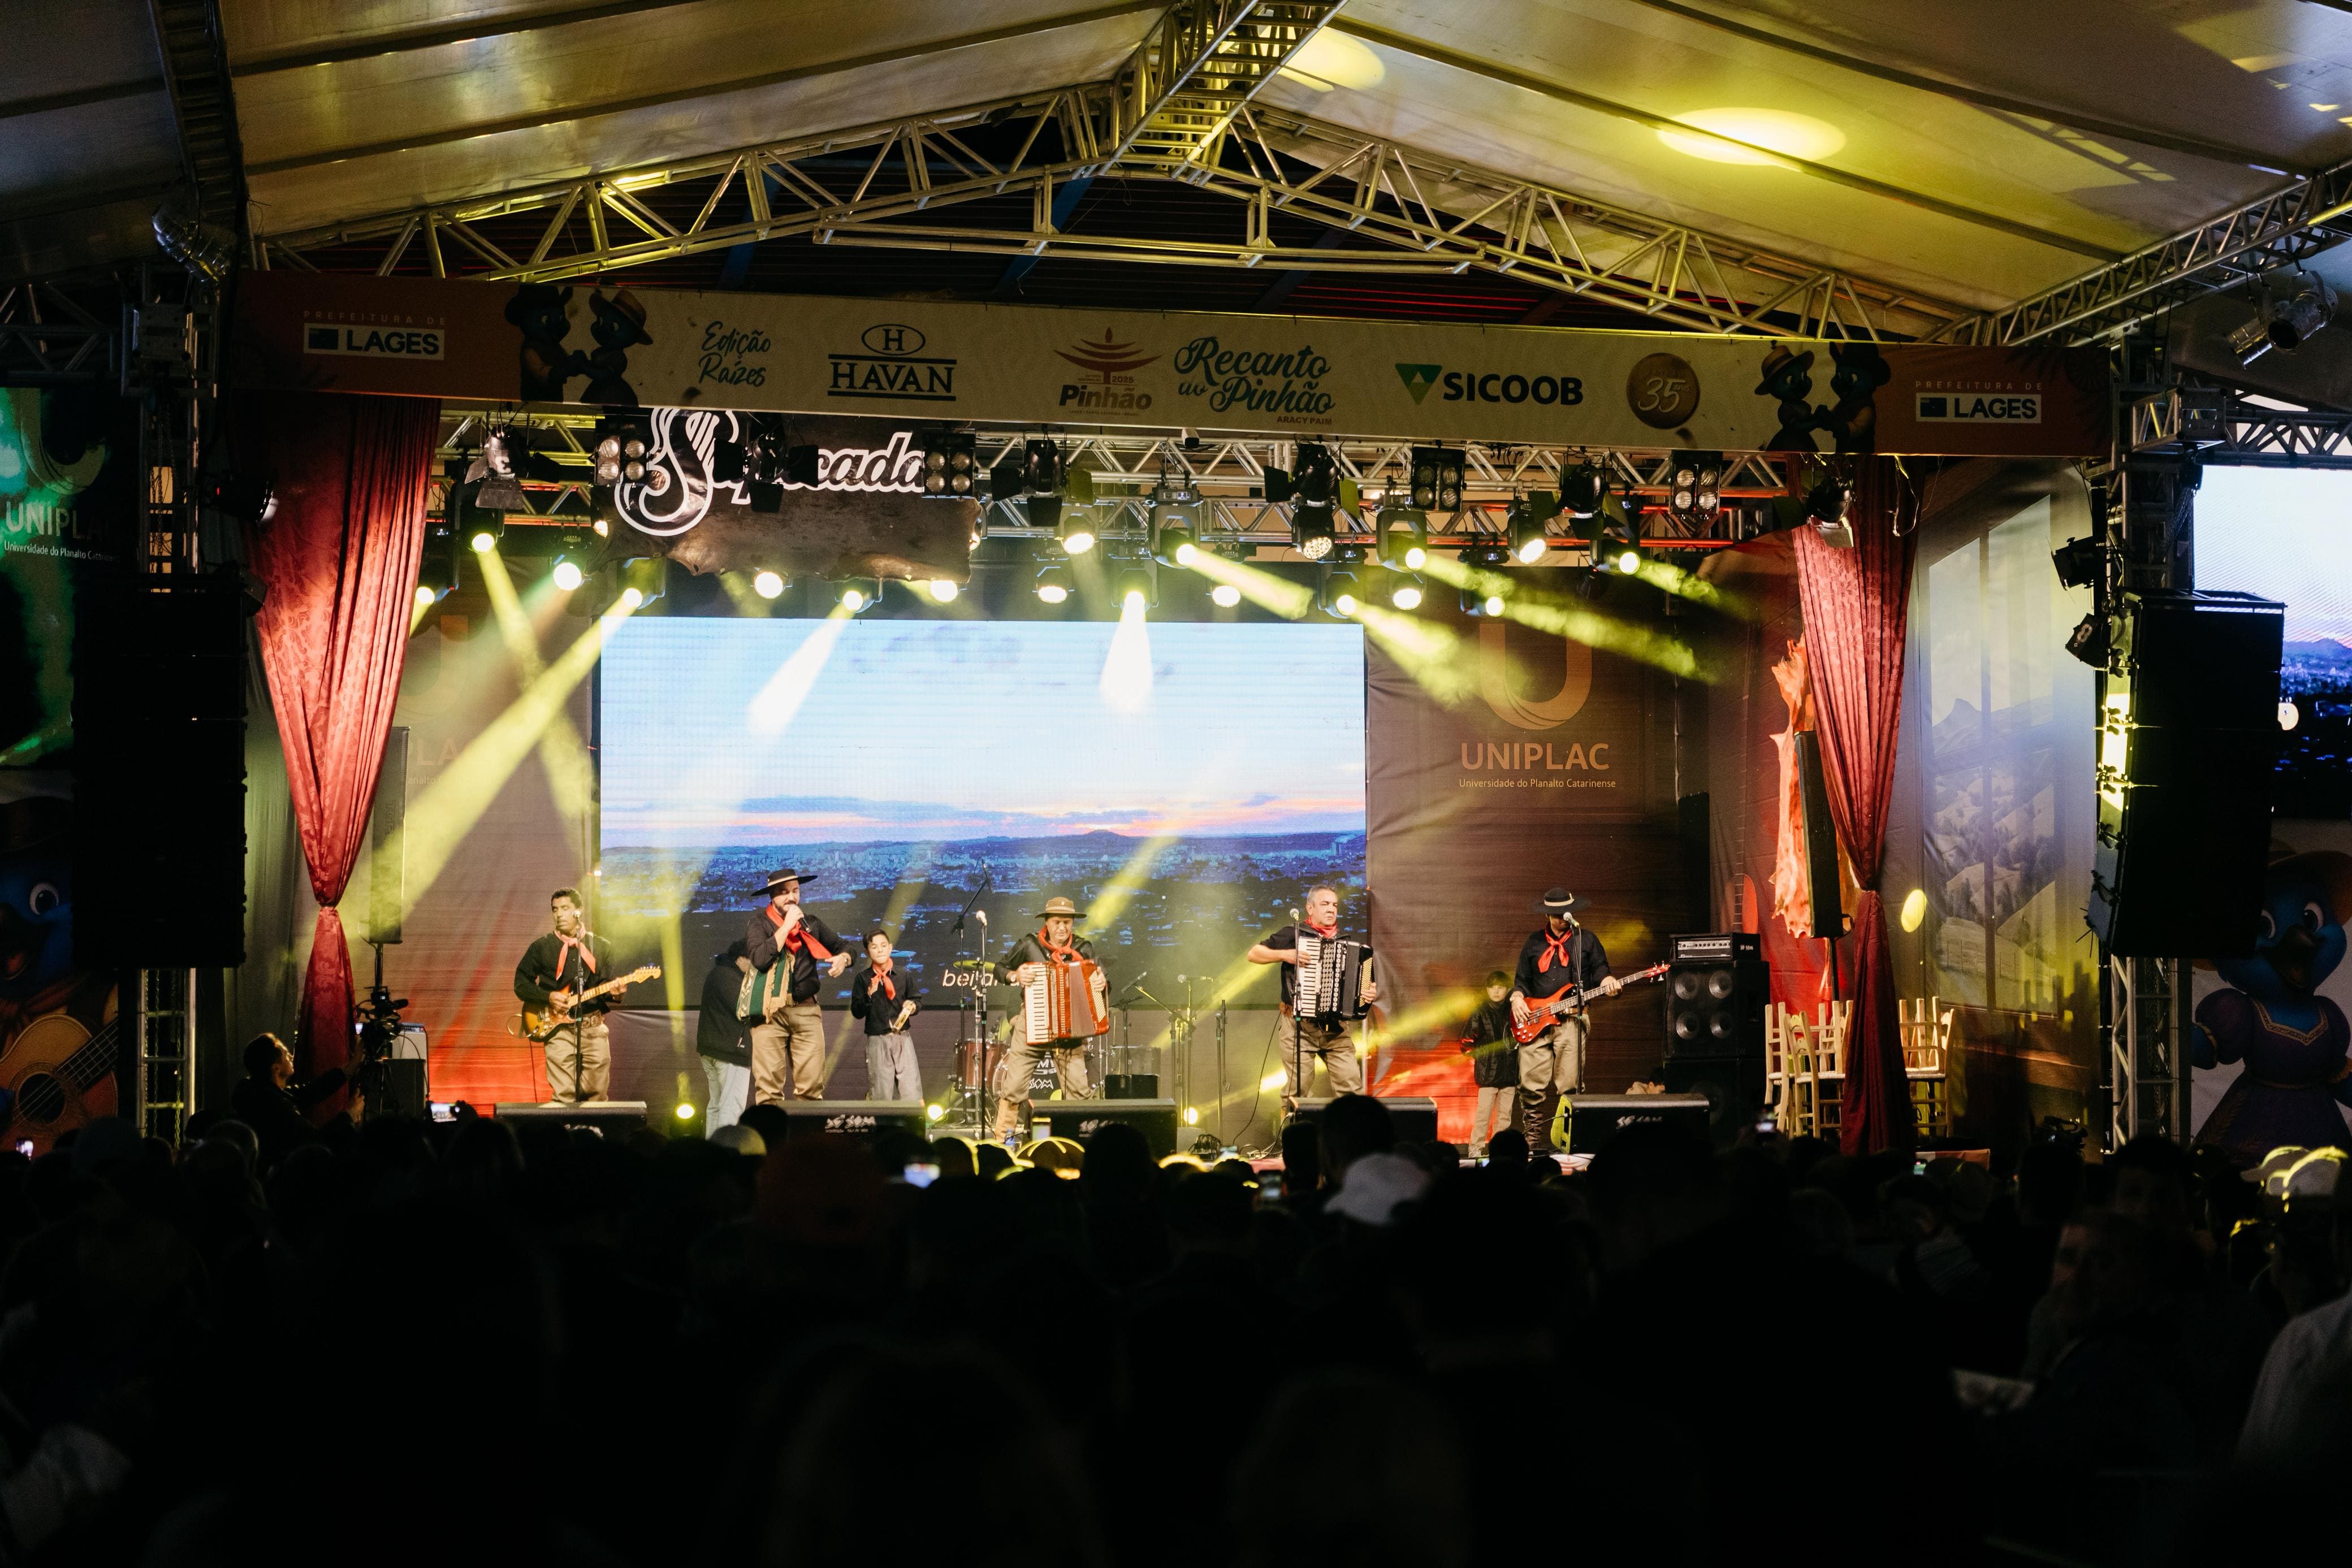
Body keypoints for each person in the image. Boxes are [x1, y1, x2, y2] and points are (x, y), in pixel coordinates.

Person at [1247, 884, 1379, 1117]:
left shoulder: (1346, 942)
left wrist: (1367, 994)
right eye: (1325, 904)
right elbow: (1254, 954)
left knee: (1352, 1089)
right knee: (1297, 1092)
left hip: (1336, 1029)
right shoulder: (1295, 934)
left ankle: (1352, 1137)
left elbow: (1365, 985)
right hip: (1300, 1027)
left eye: (1335, 905)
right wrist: (1286, 955)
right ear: (1310, 908)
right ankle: (1293, 1136)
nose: (1331, 909)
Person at [1510, 887, 1618, 1149]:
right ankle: (1532, 1138)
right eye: (1557, 915)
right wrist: (1516, 999)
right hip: (1537, 1021)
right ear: (1547, 915)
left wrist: (1608, 980)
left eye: (1565, 914)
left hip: (1571, 1019)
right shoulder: (1534, 942)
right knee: (1530, 1081)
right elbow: (1521, 981)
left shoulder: (1585, 939)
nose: (1562, 919)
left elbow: (1600, 970)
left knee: (1570, 1083)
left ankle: (1567, 1139)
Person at [990, 896, 1105, 1138]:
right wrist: (1015, 975)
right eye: (1056, 922)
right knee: (1013, 1088)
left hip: (1069, 1030)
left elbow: (1098, 984)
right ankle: (1003, 1142)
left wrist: (1102, 983)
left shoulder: (1083, 948)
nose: (1062, 928)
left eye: (1067, 922)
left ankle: (1074, 1143)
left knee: (1079, 1092)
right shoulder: (1029, 945)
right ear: (1047, 922)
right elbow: (999, 969)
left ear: (1072, 923)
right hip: (1032, 1024)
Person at [743, 867, 850, 1104]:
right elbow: (759, 959)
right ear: (772, 896)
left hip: (807, 1011)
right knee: (769, 1092)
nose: (791, 897)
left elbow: (844, 946)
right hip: (769, 1014)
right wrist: (786, 926)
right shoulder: (759, 923)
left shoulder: (810, 924)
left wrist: (843, 959)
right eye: (784, 892)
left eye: (795, 891)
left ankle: (807, 1130)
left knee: (811, 1090)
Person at [512, 887, 623, 1105]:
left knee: (597, 1095)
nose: (559, 914)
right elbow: (521, 984)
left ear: (579, 911)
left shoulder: (601, 947)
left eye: (565, 908)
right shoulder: (542, 947)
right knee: (564, 1096)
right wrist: (548, 997)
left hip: (593, 1028)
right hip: (558, 1030)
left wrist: (616, 994)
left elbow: (606, 988)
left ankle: (593, 1128)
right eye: (555, 910)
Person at [226, 1033, 357, 1167]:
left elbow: (309, 1092)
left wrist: (349, 1069)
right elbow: (315, 1140)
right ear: (276, 1069)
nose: (291, 1057)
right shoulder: (276, 1106)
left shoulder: (261, 1094)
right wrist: (349, 1115)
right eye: (286, 1054)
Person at [850, 930, 922, 1102]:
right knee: (881, 1092)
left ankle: (911, 1119)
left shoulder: (903, 974)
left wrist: (912, 1006)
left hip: (902, 1038)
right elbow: (857, 1012)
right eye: (874, 947)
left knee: (911, 1090)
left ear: (890, 948)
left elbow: (917, 1000)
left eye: (883, 946)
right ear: (867, 952)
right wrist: (868, 995)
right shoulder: (863, 978)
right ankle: (883, 1119)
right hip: (878, 1039)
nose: (880, 950)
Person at [697, 941, 755, 1130]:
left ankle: (713, 1147)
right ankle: (727, 1148)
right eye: (752, 961)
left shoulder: (718, 973)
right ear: (740, 958)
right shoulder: (729, 977)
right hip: (730, 1052)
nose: (755, 967)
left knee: (716, 1106)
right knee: (731, 1108)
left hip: (713, 1050)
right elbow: (744, 1009)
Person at [1459, 969, 1517, 1156]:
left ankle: (1500, 1150)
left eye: (1500, 987)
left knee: (1504, 1117)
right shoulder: (1481, 1011)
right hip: (1488, 1075)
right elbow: (1466, 1041)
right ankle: (1475, 1149)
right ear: (1487, 989)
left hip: (1510, 1072)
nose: (1496, 991)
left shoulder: (1513, 1010)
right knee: (1483, 1115)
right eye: (1492, 987)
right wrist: (1480, 1058)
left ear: (1508, 989)